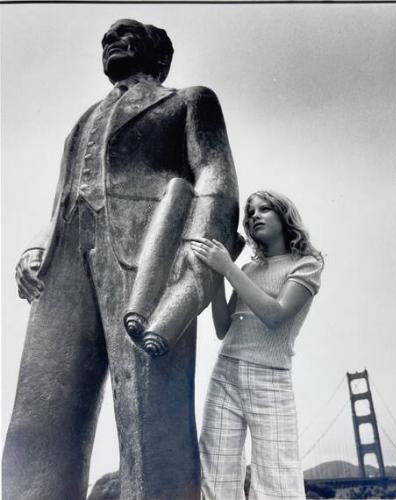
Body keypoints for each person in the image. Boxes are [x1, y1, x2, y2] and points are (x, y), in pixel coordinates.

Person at [3, 19, 239, 500]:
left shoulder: (188, 101)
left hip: (150, 259)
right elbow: (61, 199)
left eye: (125, 35)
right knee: (40, 414)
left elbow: (215, 174)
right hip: (65, 266)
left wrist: (197, 258)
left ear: (158, 56)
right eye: (107, 38)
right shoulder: (82, 120)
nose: (111, 40)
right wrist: (35, 246)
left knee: (150, 414)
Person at [191, 190, 324, 500]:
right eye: (250, 213)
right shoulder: (248, 270)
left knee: (277, 483)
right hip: (225, 374)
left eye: (265, 209)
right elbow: (223, 328)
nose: (254, 216)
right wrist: (215, 280)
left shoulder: (307, 264)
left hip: (271, 380)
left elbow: (275, 315)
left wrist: (227, 269)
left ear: (284, 215)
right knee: (215, 477)